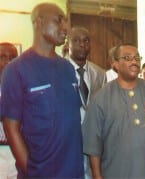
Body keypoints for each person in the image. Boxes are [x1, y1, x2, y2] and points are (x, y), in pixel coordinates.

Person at [1, 3, 84, 178]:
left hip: (73, 172)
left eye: (67, 22)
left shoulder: (68, 69)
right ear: (39, 22)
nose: (66, 28)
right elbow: (11, 127)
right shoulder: (16, 70)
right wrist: (31, 171)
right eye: (59, 20)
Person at [82, 43, 145, 178]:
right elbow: (93, 147)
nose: (134, 61)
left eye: (137, 58)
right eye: (127, 58)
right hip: (115, 173)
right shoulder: (101, 98)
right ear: (115, 64)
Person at [67, 26, 106, 179]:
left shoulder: (100, 73)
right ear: (67, 44)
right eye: (76, 41)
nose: (82, 44)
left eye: (86, 41)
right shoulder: (59, 70)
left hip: (93, 141)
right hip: (67, 139)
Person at [0, 42, 18, 179]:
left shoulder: (24, 88)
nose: (7, 62)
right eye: (2, 57)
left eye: (12, 57)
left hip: (17, 153)